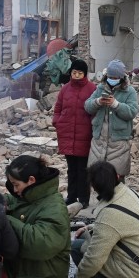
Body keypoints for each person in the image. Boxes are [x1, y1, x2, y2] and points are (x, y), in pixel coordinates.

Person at [3, 155, 86, 278]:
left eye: (16, 185)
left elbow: (38, 244)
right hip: (28, 272)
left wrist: (6, 220)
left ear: (31, 180)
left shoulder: (54, 208)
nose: (14, 190)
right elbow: (15, 203)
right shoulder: (32, 196)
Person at [71, 161, 139, 278]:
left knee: (78, 248)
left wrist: (79, 276)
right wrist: (91, 228)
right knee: (88, 240)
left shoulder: (108, 213)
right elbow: (122, 224)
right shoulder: (127, 192)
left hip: (138, 273)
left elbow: (93, 260)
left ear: (93, 187)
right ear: (117, 177)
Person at [52, 59, 96, 209]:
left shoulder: (92, 89)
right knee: (71, 169)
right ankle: (71, 197)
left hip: (85, 135)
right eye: (74, 72)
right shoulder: (65, 89)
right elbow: (58, 108)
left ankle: (83, 199)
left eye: (80, 73)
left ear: (85, 74)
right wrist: (56, 122)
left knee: (83, 170)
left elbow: (95, 112)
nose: (76, 75)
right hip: (67, 133)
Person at [85, 60, 138, 180]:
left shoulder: (129, 91)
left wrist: (116, 104)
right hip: (98, 141)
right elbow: (87, 106)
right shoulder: (100, 88)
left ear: (121, 77)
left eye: (115, 77)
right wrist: (98, 102)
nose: (112, 79)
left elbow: (132, 111)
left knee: (115, 180)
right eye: (110, 77)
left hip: (118, 142)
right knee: (96, 178)